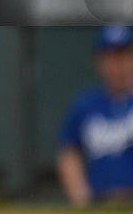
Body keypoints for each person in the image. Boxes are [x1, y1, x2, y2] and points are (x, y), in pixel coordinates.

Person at [58, 25, 133, 206]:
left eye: (123, 56)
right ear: (100, 62)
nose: (118, 65)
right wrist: (81, 198)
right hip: (101, 203)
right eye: (111, 58)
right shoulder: (85, 105)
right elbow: (69, 153)